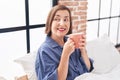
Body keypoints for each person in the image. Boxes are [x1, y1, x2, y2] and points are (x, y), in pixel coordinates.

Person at [35, 5, 94, 80]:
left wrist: (83, 50)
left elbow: (87, 68)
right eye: (57, 19)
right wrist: (65, 54)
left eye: (66, 20)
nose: (62, 24)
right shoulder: (45, 50)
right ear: (50, 22)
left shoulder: (71, 41)